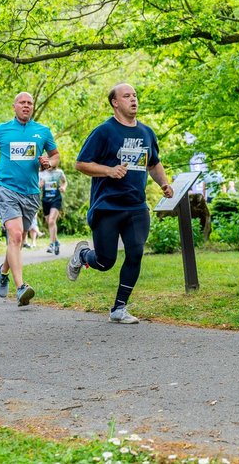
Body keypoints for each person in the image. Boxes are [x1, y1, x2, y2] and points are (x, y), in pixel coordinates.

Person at [67, 83, 174, 324]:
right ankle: (83, 255)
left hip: (136, 206)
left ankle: (119, 308)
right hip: (107, 206)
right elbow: (81, 164)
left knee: (135, 253)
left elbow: (154, 164)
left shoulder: (146, 133)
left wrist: (164, 184)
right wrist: (108, 170)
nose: (133, 100)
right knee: (105, 261)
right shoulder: (104, 132)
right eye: (127, 96)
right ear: (115, 103)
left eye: (135, 95)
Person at [0, 92, 60, 306]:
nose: (26, 106)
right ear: (14, 106)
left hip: (31, 192)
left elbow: (56, 156)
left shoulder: (42, 131)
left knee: (20, 237)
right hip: (6, 187)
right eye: (22, 102)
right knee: (15, 236)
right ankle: (21, 287)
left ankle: (3, 271)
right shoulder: (1, 130)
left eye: (30, 103)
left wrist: (49, 163)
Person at [39, 163, 67, 255]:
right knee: (49, 222)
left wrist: (63, 187)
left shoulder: (59, 172)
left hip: (56, 200)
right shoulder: (41, 173)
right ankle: (56, 242)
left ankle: (51, 244)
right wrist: (40, 184)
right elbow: (37, 185)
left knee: (51, 221)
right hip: (45, 201)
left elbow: (64, 181)